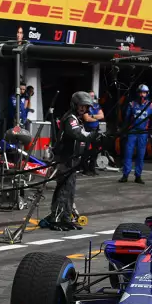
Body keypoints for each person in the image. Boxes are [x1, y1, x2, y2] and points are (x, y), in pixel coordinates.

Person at [43, 91, 94, 230]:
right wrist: (93, 135)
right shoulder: (70, 118)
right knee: (63, 190)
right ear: (75, 105)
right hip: (65, 159)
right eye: (81, 106)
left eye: (86, 107)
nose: (84, 109)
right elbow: (77, 133)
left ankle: (66, 218)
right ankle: (56, 219)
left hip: (72, 160)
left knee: (69, 191)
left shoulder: (77, 119)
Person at [120, 84, 152, 183]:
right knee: (128, 153)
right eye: (140, 92)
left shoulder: (151, 106)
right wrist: (124, 131)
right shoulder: (132, 104)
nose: (142, 95)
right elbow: (126, 119)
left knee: (141, 154)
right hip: (132, 132)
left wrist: (151, 133)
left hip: (143, 133)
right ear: (137, 93)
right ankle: (125, 175)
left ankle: (138, 176)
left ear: (147, 94)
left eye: (144, 93)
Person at [81, 90, 104, 176]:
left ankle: (92, 168)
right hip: (87, 130)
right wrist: (96, 118)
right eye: (90, 96)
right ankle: (85, 169)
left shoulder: (97, 106)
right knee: (86, 150)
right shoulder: (85, 107)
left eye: (93, 96)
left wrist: (93, 116)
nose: (92, 97)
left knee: (95, 150)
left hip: (96, 130)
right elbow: (86, 119)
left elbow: (102, 116)